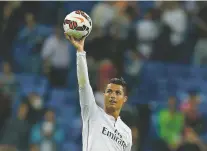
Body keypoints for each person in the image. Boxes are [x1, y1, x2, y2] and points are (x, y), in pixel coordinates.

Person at [64, 34, 132, 151]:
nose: (112, 96)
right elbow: (83, 83)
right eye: (109, 91)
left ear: (124, 99)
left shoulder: (126, 132)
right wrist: (80, 52)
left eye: (117, 93)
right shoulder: (93, 113)